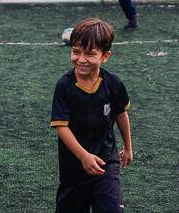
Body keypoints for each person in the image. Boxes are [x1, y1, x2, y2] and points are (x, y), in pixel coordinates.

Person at [50, 18, 133, 213]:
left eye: (89, 53)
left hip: (106, 162)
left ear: (105, 56)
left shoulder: (113, 83)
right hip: (74, 167)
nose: (81, 59)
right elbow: (61, 126)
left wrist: (128, 147)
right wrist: (83, 156)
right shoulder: (64, 86)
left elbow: (121, 114)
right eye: (76, 52)